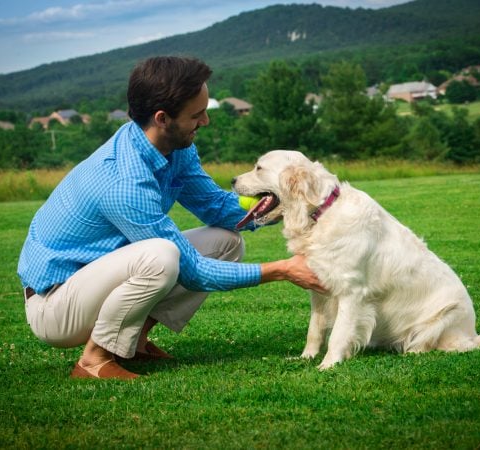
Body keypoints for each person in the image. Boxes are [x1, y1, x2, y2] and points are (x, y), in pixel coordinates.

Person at [17, 56, 324, 380]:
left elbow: (214, 206)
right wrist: (282, 270)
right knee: (162, 255)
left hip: (95, 279)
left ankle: (134, 343)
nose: (205, 121)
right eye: (197, 114)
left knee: (226, 242)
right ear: (162, 118)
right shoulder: (123, 180)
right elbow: (190, 270)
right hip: (55, 304)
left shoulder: (176, 148)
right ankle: (93, 361)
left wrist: (292, 204)